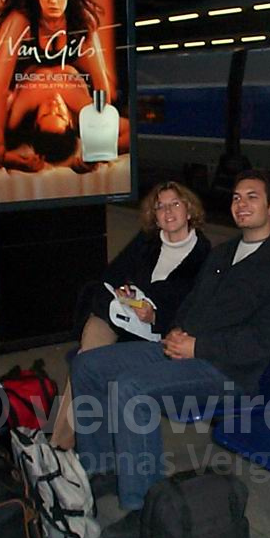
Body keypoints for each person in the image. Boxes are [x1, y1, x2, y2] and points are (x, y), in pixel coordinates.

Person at [69, 170, 270, 538]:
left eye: (252, 197)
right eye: (235, 197)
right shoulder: (225, 252)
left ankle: (144, 507)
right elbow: (193, 305)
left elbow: (262, 341)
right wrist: (174, 329)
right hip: (186, 350)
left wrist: (198, 347)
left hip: (228, 373)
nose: (240, 204)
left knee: (132, 390)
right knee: (88, 366)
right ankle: (102, 468)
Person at [49, 181, 211, 449]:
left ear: (189, 211)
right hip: (120, 317)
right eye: (160, 207)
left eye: (175, 204)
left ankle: (65, 446)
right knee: (88, 356)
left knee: (89, 364)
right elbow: (112, 275)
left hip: (158, 332)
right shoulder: (146, 241)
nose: (168, 212)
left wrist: (155, 314)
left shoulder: (204, 255)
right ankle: (66, 444)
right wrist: (126, 292)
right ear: (154, 215)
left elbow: (193, 307)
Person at [0, 0, 114, 167]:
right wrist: (99, 143)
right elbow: (101, 88)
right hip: (37, 71)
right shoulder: (83, 111)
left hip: (21, 81)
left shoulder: (15, 120)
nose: (53, 0)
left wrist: (2, 149)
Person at [0, 63, 130, 170]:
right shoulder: (87, 116)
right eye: (60, 113)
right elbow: (130, 131)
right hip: (75, 57)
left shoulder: (15, 120)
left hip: (28, 60)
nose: (53, 103)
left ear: (35, 121)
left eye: (46, 113)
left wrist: (9, 159)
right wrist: (98, 153)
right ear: (71, 122)